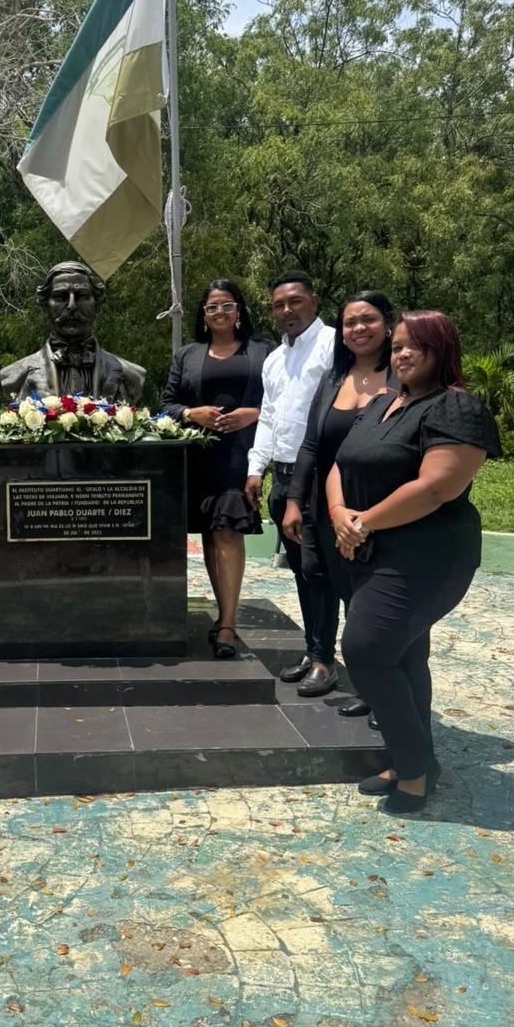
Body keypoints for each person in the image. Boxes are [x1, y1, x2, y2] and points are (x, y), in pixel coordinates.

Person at [327, 310, 500, 813]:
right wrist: (340, 514)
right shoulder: (384, 402)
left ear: (440, 350)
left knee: (364, 651)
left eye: (414, 347)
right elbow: (341, 463)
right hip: (370, 547)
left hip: (427, 556)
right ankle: (412, 763)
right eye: (397, 346)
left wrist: (362, 523)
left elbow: (437, 487)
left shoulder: (455, 407)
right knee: (403, 656)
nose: (401, 354)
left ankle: (416, 769)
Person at [282, 291, 396, 720]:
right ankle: (320, 660)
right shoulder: (333, 378)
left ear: (387, 323)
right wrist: (295, 499)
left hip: (377, 506)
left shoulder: (401, 375)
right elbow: (312, 444)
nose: (358, 329)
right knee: (318, 578)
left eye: (367, 320)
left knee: (365, 596)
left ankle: (375, 686)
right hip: (322, 504)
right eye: (349, 322)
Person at [161, 280, 273, 657]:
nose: (220, 313)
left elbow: (285, 400)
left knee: (227, 531)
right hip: (197, 456)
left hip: (242, 455)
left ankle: (227, 624)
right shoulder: (187, 355)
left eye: (227, 306)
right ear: (203, 316)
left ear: (239, 311)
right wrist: (193, 413)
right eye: (212, 308)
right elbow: (166, 405)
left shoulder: (264, 351)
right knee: (211, 533)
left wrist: (252, 414)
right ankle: (223, 613)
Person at [244, 271, 336, 694]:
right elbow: (269, 417)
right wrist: (255, 468)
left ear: (313, 302)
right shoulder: (274, 359)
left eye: (295, 302)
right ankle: (313, 649)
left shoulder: (333, 345)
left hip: (319, 477)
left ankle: (325, 659)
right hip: (282, 478)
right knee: (301, 571)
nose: (287, 311)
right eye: (279, 305)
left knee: (321, 571)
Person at [0, 261, 146, 402]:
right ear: (45, 307)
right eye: (60, 297)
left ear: (97, 305)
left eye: (82, 296)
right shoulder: (15, 376)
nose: (71, 306)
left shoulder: (131, 375)